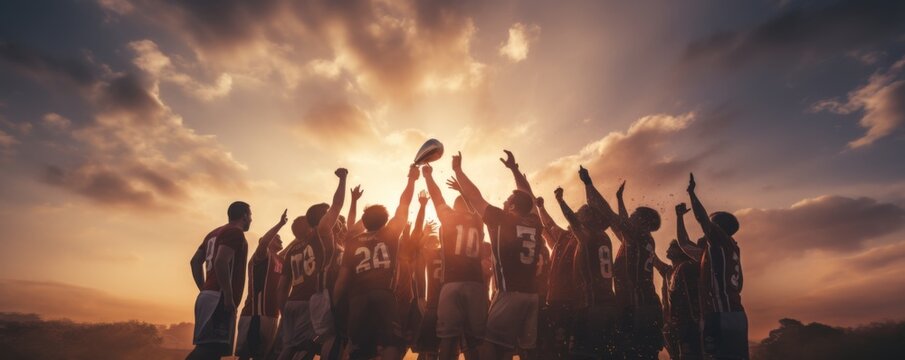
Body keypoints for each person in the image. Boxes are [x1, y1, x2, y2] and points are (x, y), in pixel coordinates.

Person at [451, 150, 542, 360]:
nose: (504, 202)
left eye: (507, 200)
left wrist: (458, 170)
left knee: (489, 347)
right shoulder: (535, 223)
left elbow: (474, 195)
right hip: (532, 297)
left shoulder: (501, 219)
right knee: (514, 349)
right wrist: (514, 169)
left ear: (511, 206)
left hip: (509, 293)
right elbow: (528, 197)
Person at [333, 164, 419, 360]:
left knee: (358, 348)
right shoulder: (389, 234)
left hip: (357, 298)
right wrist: (412, 179)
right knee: (390, 344)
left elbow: (342, 278)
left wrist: (336, 302)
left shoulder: (353, 241)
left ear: (364, 221)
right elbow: (404, 205)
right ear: (386, 219)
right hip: (383, 294)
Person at [581, 167, 662, 360]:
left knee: (630, 352)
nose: (630, 217)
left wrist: (589, 184)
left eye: (634, 215)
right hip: (647, 303)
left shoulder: (637, 237)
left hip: (635, 305)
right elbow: (616, 218)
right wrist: (616, 198)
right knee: (646, 353)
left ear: (643, 222)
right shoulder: (642, 239)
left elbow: (611, 216)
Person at [277, 169, 347, 360]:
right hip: (310, 299)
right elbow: (338, 204)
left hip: (291, 301)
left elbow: (282, 285)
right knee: (307, 347)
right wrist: (343, 179)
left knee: (288, 347)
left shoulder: (293, 248)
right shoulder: (321, 235)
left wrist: (283, 309)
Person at [422, 164, 487, 360]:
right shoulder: (478, 220)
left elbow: (436, 196)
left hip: (451, 282)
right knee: (476, 340)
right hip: (476, 283)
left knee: (448, 340)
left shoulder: (448, 217)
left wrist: (428, 176)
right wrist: (463, 190)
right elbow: (476, 203)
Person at [551, 183, 619, 360]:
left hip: (591, 303)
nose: (578, 214)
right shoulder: (605, 238)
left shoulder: (587, 235)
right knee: (603, 351)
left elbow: (571, 220)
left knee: (582, 353)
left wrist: (560, 201)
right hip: (608, 301)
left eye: (582, 212)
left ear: (589, 218)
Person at [685, 174, 747, 360]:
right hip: (736, 313)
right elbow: (684, 244)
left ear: (718, 228)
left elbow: (702, 219)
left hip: (721, 314)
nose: (706, 228)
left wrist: (691, 194)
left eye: (711, 224)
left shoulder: (720, 242)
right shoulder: (727, 250)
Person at [188, 201, 252, 360]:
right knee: (208, 349)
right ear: (244, 215)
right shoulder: (235, 232)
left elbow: (195, 262)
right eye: (250, 215)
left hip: (209, 295)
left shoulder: (213, 233)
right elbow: (220, 261)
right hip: (220, 297)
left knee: (213, 350)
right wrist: (228, 296)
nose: (251, 219)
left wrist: (203, 288)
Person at [236, 210, 289, 360]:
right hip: (256, 314)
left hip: (272, 314)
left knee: (265, 356)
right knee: (247, 354)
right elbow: (265, 241)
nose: (280, 239)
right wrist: (280, 224)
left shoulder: (279, 259)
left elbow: (292, 246)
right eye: (276, 237)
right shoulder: (261, 256)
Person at [534, 193, 579, 360]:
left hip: (567, 299)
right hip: (555, 298)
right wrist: (541, 208)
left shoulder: (578, 238)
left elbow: (549, 226)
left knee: (560, 343)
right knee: (554, 342)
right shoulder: (564, 238)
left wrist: (543, 207)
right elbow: (548, 226)